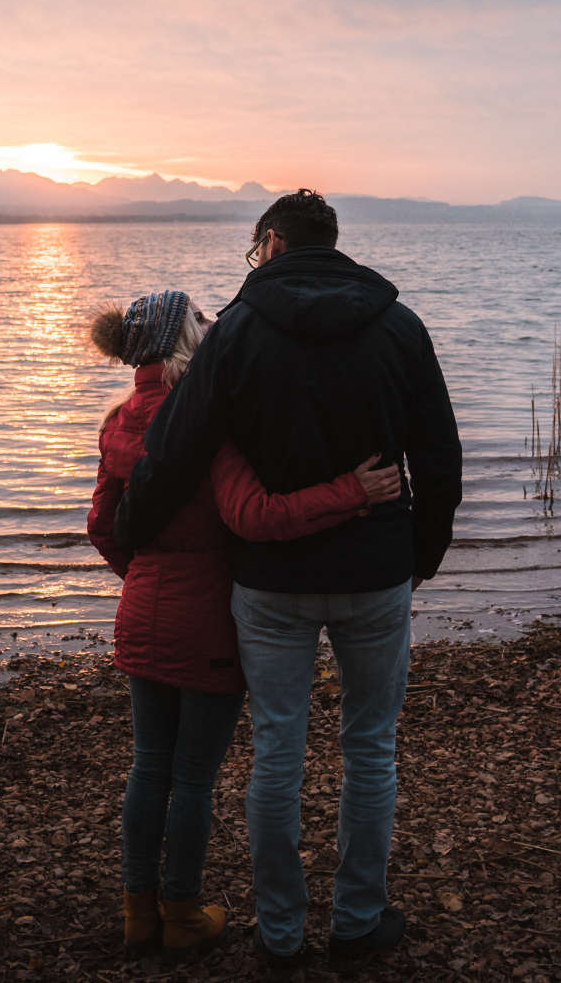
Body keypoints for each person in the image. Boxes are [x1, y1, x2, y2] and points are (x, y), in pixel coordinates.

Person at [113, 190, 461, 978]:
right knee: (370, 748)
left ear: (270, 242)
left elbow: (176, 450)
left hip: (270, 585)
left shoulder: (236, 333)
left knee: (277, 751)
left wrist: (130, 534)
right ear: (330, 243)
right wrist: (422, 554)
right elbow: (440, 458)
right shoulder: (399, 327)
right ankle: (358, 920)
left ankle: (279, 933)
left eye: (253, 249)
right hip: (374, 575)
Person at [84, 288, 402, 960]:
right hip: (206, 624)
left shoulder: (116, 421)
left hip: (141, 613)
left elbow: (101, 526)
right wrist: (352, 492)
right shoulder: (206, 424)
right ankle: (183, 909)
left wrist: (142, 579)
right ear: (183, 343)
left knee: (149, 766)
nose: (213, 324)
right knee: (193, 777)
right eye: (200, 318)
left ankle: (137, 910)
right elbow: (254, 514)